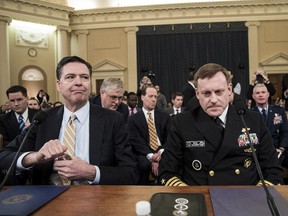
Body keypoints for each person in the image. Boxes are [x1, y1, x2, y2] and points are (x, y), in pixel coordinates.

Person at [0, 56, 138, 185]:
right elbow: (4, 156)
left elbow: (130, 173)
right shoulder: (43, 119)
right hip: (48, 199)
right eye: (70, 77)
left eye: (84, 77)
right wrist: (34, 157)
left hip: (97, 199)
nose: (78, 82)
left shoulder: (113, 120)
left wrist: (92, 172)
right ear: (59, 85)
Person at [158, 63, 283, 186]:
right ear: (197, 94)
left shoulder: (253, 120)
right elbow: (167, 172)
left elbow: (272, 170)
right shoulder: (182, 123)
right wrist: (191, 198)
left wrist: (255, 197)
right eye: (206, 93)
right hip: (201, 200)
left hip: (245, 199)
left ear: (229, 90)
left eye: (218, 92)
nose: (213, 100)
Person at [128, 86, 171, 185]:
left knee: (170, 162)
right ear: (142, 97)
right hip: (144, 152)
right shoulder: (133, 119)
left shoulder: (165, 117)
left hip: (162, 150)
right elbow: (136, 141)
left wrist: (160, 153)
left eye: (155, 97)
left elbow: (170, 137)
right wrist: (151, 156)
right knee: (143, 164)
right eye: (150, 96)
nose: (153, 100)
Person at [251, 83, 288, 166]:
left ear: (268, 94)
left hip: (279, 150)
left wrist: (281, 148)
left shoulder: (279, 111)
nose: (260, 95)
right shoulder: (249, 113)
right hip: (258, 152)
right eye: (257, 93)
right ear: (253, 96)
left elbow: (285, 131)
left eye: (263, 92)